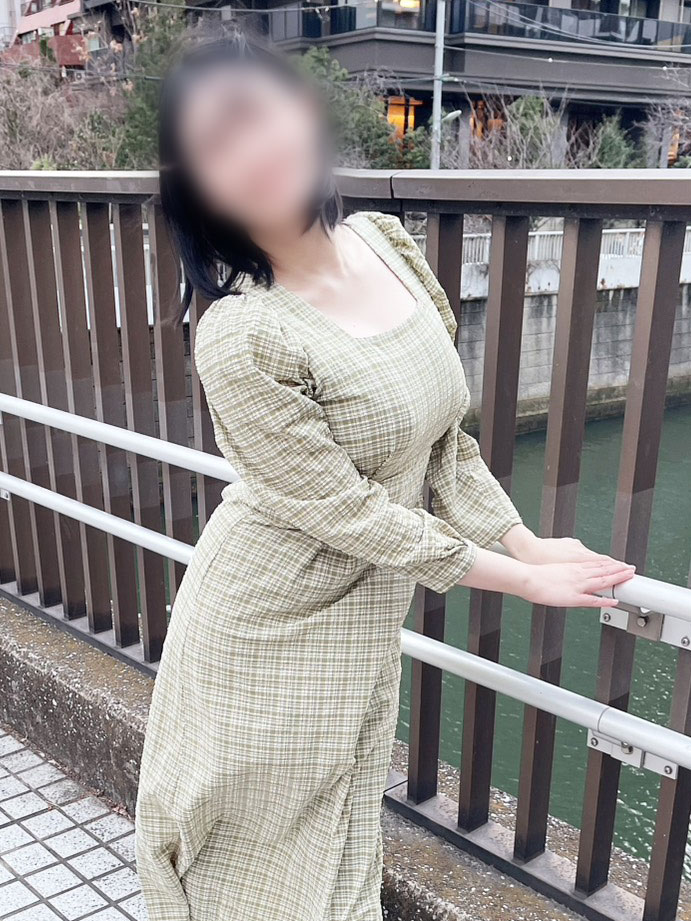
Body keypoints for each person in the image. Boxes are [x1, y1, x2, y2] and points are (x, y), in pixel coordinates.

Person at [135, 35, 634, 921]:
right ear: (196, 186)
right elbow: (350, 514)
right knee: (255, 871)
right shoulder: (241, 333)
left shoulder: (384, 242)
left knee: (339, 844)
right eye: (217, 143)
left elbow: (445, 446)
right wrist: (517, 579)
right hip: (268, 625)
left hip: (359, 621)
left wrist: (523, 540)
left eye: (259, 114)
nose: (253, 150)